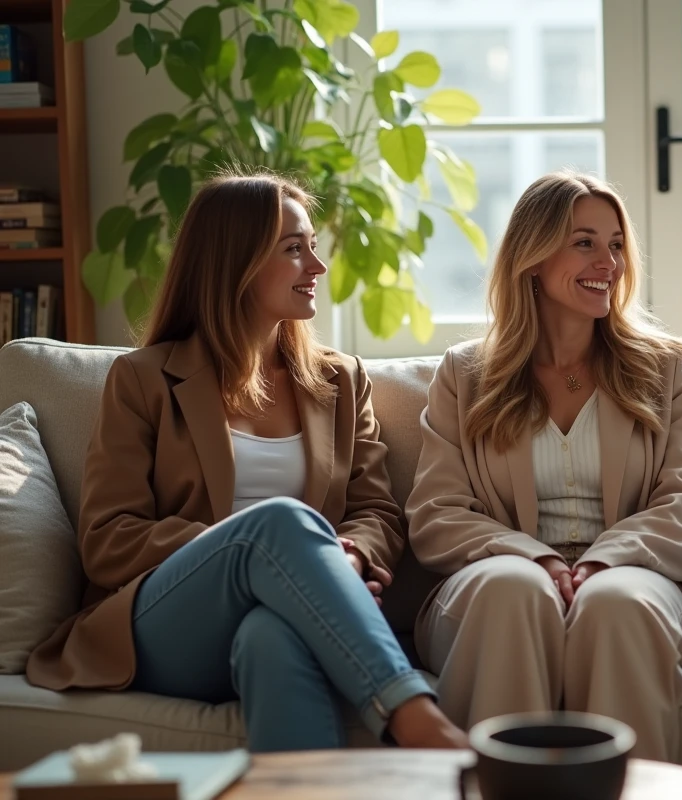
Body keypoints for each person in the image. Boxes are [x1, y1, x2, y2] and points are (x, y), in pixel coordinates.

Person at [25, 172, 466, 752]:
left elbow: (377, 511)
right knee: (278, 525)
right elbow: (108, 540)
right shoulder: (143, 380)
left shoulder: (339, 381)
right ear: (235, 262)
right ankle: (419, 722)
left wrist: (352, 557)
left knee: (271, 635)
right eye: (294, 248)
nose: (317, 265)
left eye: (312, 245)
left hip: (283, 616)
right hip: (164, 624)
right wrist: (248, 552)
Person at [405, 171, 682, 762]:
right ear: (531, 258)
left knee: (615, 603)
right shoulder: (467, 374)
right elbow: (436, 514)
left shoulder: (666, 369)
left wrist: (601, 560)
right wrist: (538, 558)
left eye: (617, 244)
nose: (609, 261)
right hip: (499, 578)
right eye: (585, 242)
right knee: (513, 590)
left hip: (637, 577)